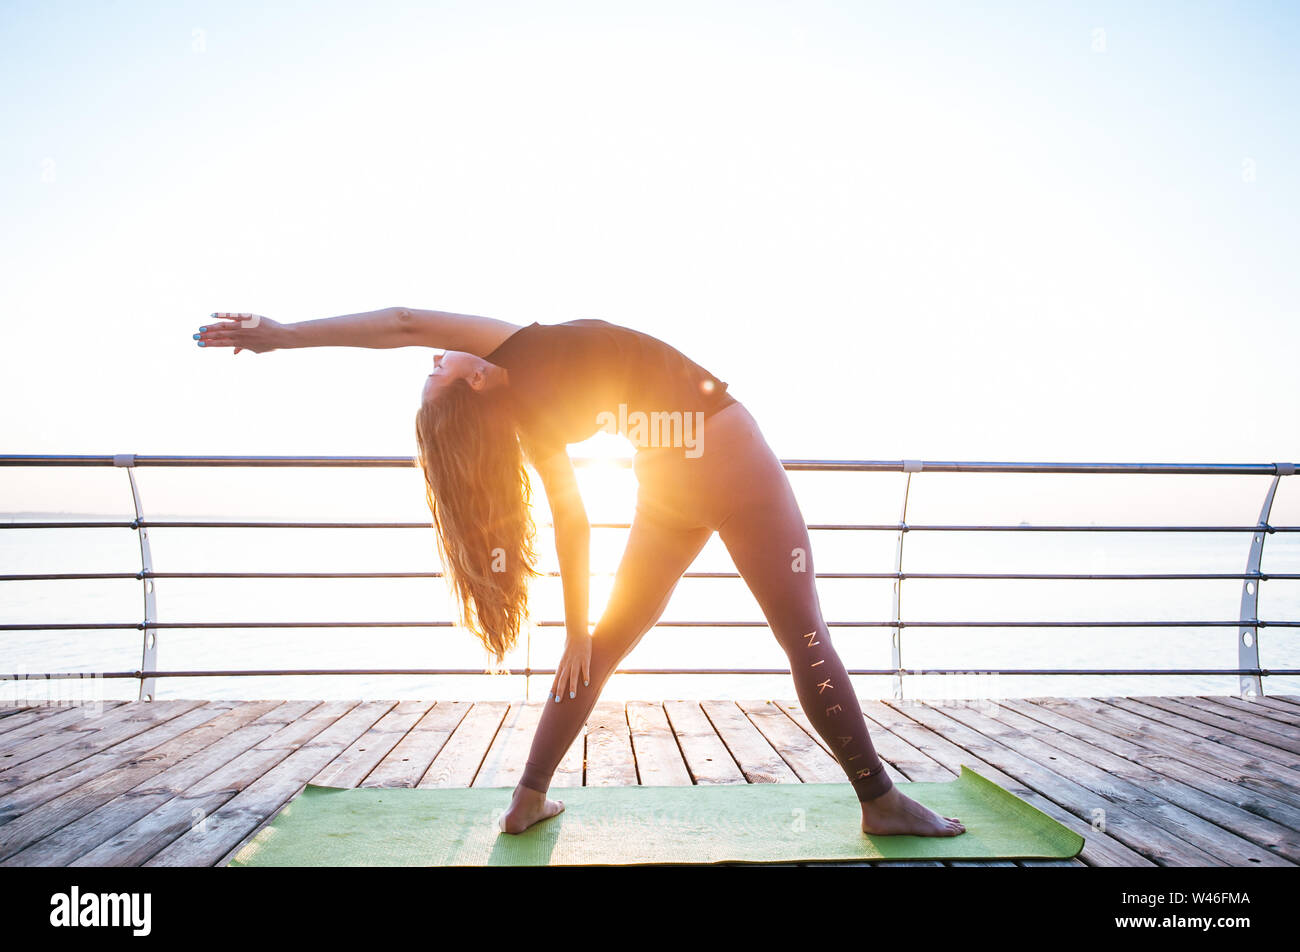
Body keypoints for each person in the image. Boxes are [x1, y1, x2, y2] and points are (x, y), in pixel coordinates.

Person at [195, 306, 965, 838]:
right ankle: (880, 801)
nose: (437, 355)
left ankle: (528, 797)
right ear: (470, 381)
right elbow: (404, 322)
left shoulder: (526, 418)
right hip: (722, 450)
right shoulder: (515, 354)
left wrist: (574, 632)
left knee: (604, 642)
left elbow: (572, 522)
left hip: (667, 483)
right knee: (803, 635)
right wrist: (283, 336)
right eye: (436, 369)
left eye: (432, 365)